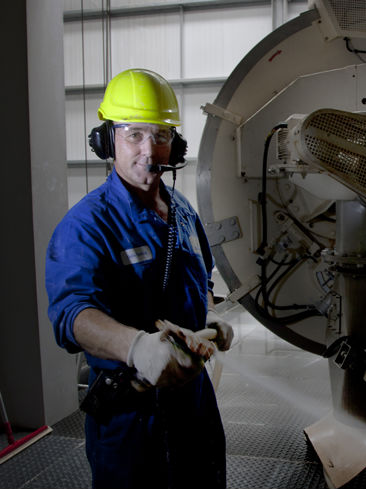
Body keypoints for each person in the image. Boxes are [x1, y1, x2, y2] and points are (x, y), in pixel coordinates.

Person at [46, 68, 234, 489]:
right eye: (134, 134)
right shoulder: (87, 225)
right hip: (131, 415)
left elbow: (200, 279)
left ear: (175, 145)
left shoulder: (183, 211)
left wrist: (209, 318)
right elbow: (71, 314)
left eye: (161, 135)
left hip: (194, 405)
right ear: (106, 140)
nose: (149, 150)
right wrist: (135, 347)